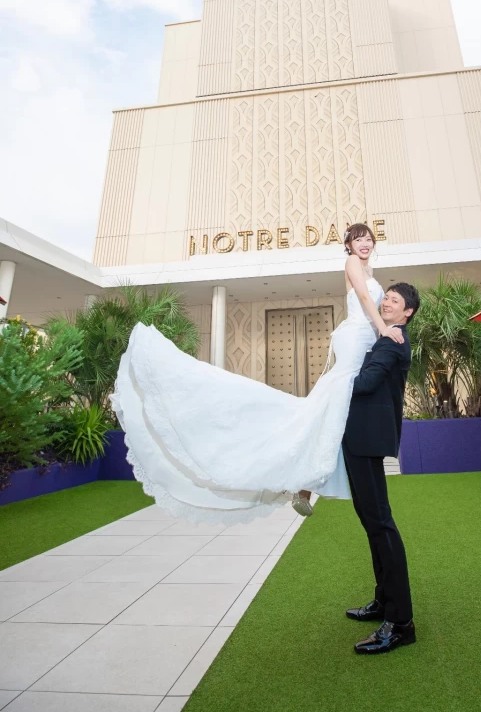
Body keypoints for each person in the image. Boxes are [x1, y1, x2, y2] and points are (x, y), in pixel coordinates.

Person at [110, 223, 404, 526]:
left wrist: (381, 331)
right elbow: (364, 299)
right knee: (335, 403)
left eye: (368, 239)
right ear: (349, 245)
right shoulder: (352, 263)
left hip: (365, 338)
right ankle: (301, 479)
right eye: (358, 239)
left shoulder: (370, 270)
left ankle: (304, 482)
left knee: (331, 409)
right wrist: (383, 330)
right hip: (357, 336)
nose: (364, 244)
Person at [343, 282, 420, 655]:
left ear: (407, 312)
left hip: (368, 439)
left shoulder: (393, 340)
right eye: (385, 297)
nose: (387, 302)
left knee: (381, 524)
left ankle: (401, 622)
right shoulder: (384, 338)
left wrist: (337, 377)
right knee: (371, 522)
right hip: (360, 437)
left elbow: (366, 382)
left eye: (395, 300)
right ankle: (383, 601)